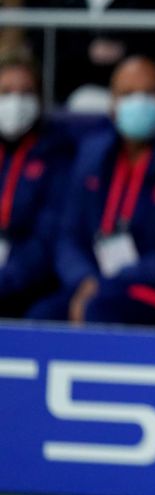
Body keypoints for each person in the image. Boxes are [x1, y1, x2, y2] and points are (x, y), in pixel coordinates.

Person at [26, 56, 155, 328]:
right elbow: (68, 235)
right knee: (44, 316)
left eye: (149, 93)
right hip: (101, 285)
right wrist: (85, 279)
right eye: (127, 94)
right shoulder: (93, 156)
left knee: (102, 311)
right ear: (113, 105)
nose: (139, 103)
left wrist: (113, 281)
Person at [0, 58, 74, 317]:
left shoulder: (57, 152)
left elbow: (49, 235)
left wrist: (7, 280)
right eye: (6, 92)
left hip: (29, 280)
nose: (15, 102)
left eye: (26, 93)